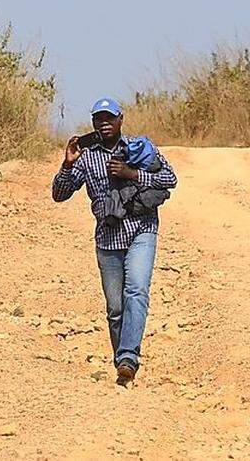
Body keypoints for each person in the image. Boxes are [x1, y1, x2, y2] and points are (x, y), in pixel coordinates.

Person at [51, 98, 177, 386]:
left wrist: (132, 174)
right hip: (107, 238)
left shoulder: (139, 148)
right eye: (99, 119)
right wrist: (67, 164)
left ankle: (129, 358)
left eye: (110, 118)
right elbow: (59, 194)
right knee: (115, 308)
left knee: (137, 291)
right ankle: (121, 360)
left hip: (141, 229)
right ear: (93, 123)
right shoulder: (85, 156)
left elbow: (170, 178)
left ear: (121, 120)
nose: (104, 124)